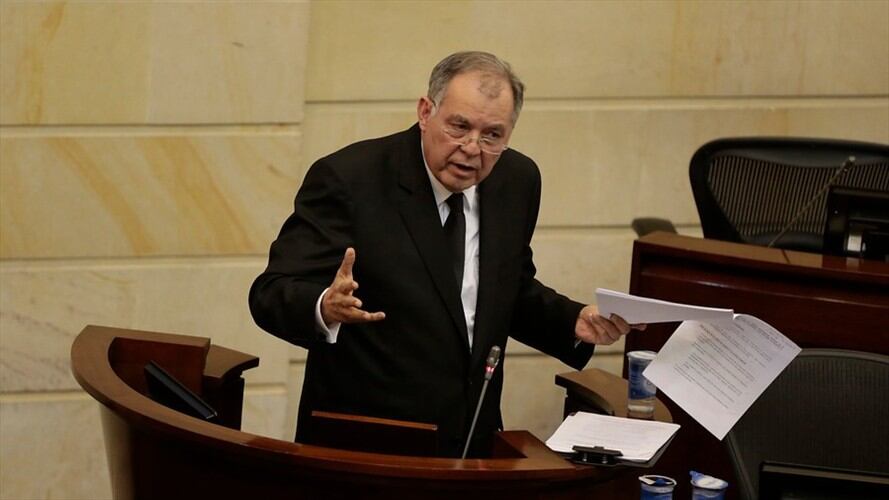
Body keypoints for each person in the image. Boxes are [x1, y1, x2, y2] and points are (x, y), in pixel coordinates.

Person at [249, 51, 642, 457]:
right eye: (459, 126)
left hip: (472, 440)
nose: (473, 148)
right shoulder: (350, 179)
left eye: (493, 135)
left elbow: (505, 288)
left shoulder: (516, 181)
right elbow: (270, 292)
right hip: (368, 446)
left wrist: (572, 320)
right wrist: (324, 306)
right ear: (425, 112)